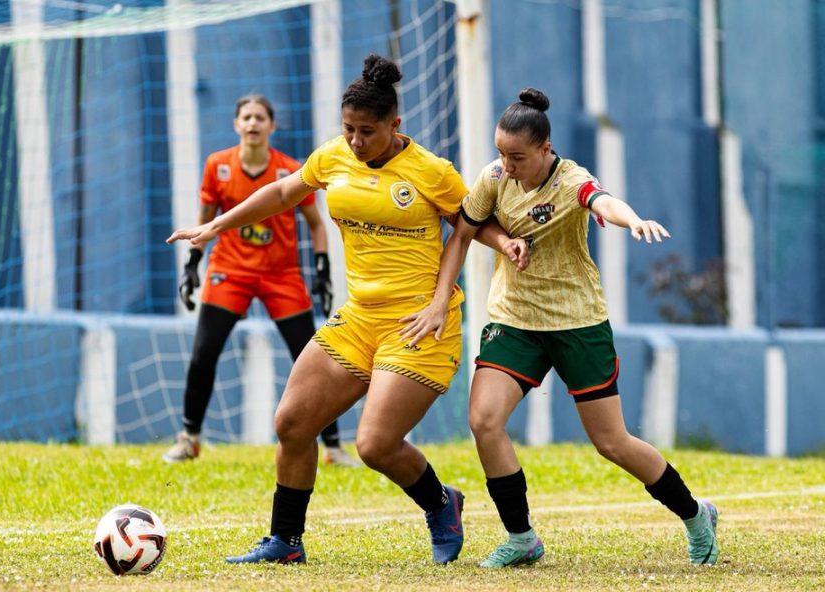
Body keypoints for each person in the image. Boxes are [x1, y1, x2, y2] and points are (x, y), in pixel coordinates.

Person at [168, 54, 522, 565]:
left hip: (419, 323)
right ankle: (285, 541)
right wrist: (215, 227)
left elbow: (469, 222)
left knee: (374, 444)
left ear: (395, 126)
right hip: (359, 318)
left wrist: (505, 243)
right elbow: (284, 191)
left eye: (367, 132)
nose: (356, 142)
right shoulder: (334, 156)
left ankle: (442, 503)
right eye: (349, 130)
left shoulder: (431, 171)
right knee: (291, 422)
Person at [437, 87, 720, 568]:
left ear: (546, 149)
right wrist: (498, 248)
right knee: (484, 421)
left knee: (612, 443)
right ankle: (522, 537)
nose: (506, 165)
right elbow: (465, 229)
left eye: (517, 157)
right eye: (501, 153)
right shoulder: (493, 175)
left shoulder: (571, 181)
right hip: (515, 319)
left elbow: (603, 201)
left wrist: (633, 220)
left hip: (577, 322)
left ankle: (697, 516)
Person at [163, 94, 360, 468]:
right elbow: (206, 218)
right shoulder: (217, 166)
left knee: (312, 357)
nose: (253, 124)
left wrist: (321, 267)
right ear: (236, 124)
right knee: (204, 351)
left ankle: (333, 446)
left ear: (272, 126)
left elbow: (316, 224)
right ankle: (189, 438)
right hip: (230, 269)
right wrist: (193, 263)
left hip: (281, 274)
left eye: (260, 118)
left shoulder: (290, 169)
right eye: (246, 117)